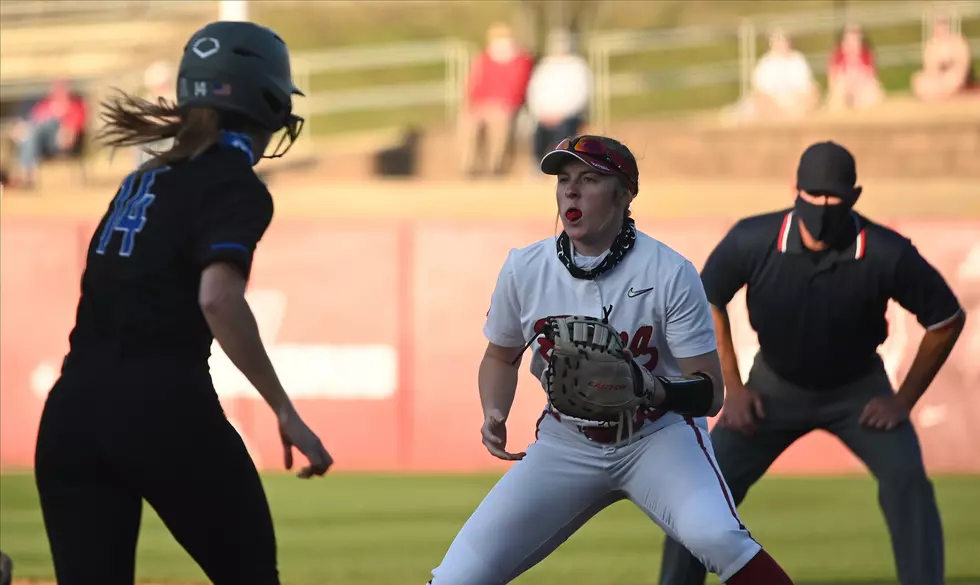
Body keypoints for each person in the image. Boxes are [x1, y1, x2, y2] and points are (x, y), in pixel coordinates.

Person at [33, 21, 333, 585]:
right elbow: (218, 300)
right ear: (266, 100)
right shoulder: (234, 183)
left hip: (70, 413)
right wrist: (284, 411)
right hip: (164, 410)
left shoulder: (141, 178)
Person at [425, 134, 795, 585]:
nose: (570, 191)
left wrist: (653, 388)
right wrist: (494, 410)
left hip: (656, 435)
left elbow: (711, 393)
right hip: (568, 439)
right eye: (563, 180)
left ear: (624, 194)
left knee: (718, 537)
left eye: (589, 179)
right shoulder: (525, 268)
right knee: (459, 576)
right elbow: (500, 358)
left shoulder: (668, 272)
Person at [657, 141, 966, 585]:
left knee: (907, 480)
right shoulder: (753, 238)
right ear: (794, 190)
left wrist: (902, 402)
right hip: (772, 388)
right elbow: (708, 298)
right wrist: (734, 389)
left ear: (855, 197)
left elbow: (946, 319)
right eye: (813, 195)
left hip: (859, 390)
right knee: (701, 488)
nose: (822, 206)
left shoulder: (885, 251)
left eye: (834, 197)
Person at [458, 22, 534, 177]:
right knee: (467, 120)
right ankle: (469, 166)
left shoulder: (521, 59)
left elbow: (519, 85)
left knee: (499, 120)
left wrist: (508, 102)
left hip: (505, 105)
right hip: (481, 104)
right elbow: (473, 84)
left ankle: (496, 166)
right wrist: (471, 104)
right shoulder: (484, 58)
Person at [525, 29, 591, 169]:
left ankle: (565, 164)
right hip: (544, 115)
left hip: (568, 115)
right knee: (537, 133)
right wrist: (541, 113)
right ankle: (539, 165)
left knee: (565, 131)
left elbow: (581, 94)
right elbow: (534, 91)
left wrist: (562, 114)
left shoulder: (578, 66)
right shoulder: (544, 66)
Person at [5, 79, 87, 189]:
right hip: (41, 143)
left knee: (39, 127)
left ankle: (25, 174)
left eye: (63, 89)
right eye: (57, 89)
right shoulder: (45, 105)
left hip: (57, 141)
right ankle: (27, 176)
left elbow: (74, 128)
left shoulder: (74, 107)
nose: (59, 92)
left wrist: (68, 131)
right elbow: (33, 120)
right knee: (30, 133)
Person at [732, 29, 819, 121]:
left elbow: (808, 87)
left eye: (783, 40)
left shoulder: (798, 60)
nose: (781, 43)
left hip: (795, 104)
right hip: (772, 105)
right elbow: (759, 90)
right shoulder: (765, 63)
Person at [912, 15, 975, 102]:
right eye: (939, 26)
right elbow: (929, 67)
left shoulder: (958, 41)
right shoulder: (931, 45)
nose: (941, 28)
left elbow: (963, 64)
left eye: (943, 25)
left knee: (951, 80)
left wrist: (950, 66)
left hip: (954, 77)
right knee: (919, 80)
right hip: (937, 79)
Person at [826, 23, 884, 111]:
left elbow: (872, 77)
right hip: (844, 86)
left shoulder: (866, 52)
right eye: (850, 34)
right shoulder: (838, 52)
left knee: (872, 97)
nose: (853, 37)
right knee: (837, 101)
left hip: (862, 87)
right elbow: (833, 77)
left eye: (856, 34)